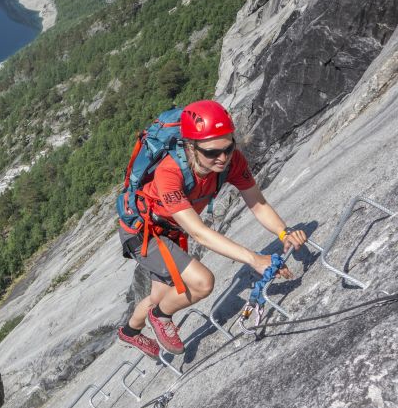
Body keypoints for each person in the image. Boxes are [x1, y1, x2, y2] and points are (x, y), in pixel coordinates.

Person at [116, 100, 306, 357]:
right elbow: (198, 232)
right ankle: (160, 317)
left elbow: (258, 203)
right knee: (202, 283)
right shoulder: (169, 173)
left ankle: (130, 331)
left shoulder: (231, 162)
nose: (223, 158)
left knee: (161, 295)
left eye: (228, 148)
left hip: (170, 228)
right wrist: (254, 259)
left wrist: (284, 232)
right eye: (212, 153)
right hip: (143, 232)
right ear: (191, 147)